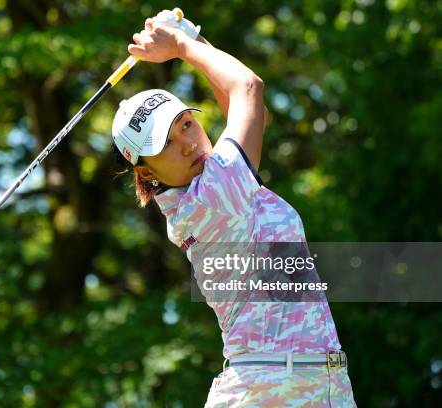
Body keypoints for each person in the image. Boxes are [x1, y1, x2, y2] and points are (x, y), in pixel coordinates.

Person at [110, 10, 358, 407]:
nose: (188, 143)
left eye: (186, 124)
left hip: (288, 382)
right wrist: (180, 47)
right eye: (167, 144)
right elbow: (248, 87)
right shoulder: (213, 193)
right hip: (280, 386)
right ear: (145, 170)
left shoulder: (207, 190)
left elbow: (241, 109)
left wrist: (190, 38)